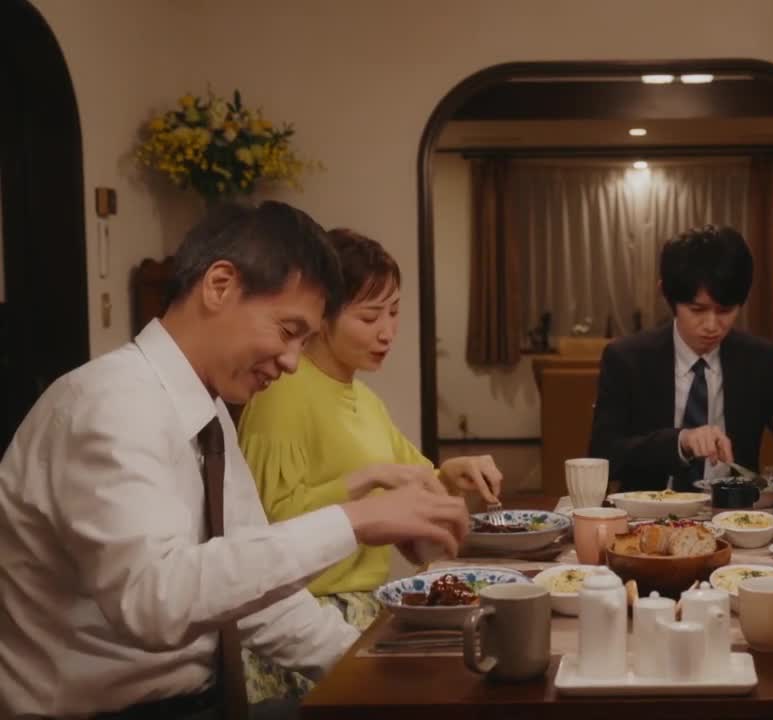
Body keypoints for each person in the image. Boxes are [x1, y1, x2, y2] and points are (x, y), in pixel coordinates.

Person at [0, 201, 471, 719]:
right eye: (288, 331)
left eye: (305, 341)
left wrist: (372, 673)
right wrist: (353, 520)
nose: (292, 361)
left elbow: (260, 601)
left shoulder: (207, 411)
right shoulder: (109, 403)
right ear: (220, 286)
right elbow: (153, 603)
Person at [235, 228, 502, 702]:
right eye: (369, 316)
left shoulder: (363, 398)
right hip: (304, 627)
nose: (387, 332)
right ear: (322, 317)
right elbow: (265, 530)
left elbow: (413, 487)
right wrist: (365, 480)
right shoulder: (282, 394)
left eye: (394, 312)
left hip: (364, 611)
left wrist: (449, 474)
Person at [589, 224, 773, 492]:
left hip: (734, 512)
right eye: (697, 310)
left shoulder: (760, 359)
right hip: (650, 510)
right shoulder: (628, 359)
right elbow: (603, 456)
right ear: (667, 295)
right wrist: (681, 442)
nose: (712, 325)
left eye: (725, 310)